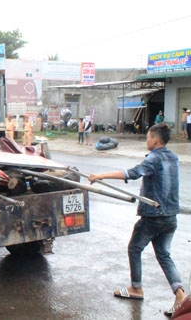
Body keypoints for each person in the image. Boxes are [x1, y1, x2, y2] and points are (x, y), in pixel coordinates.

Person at [88, 123, 186, 315]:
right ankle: (179, 294)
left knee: (134, 248)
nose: (147, 140)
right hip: (171, 216)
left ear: (155, 140)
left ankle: (136, 288)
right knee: (164, 254)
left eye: (148, 137)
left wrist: (100, 175)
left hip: (153, 216)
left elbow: (132, 173)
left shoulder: (154, 159)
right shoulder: (173, 157)